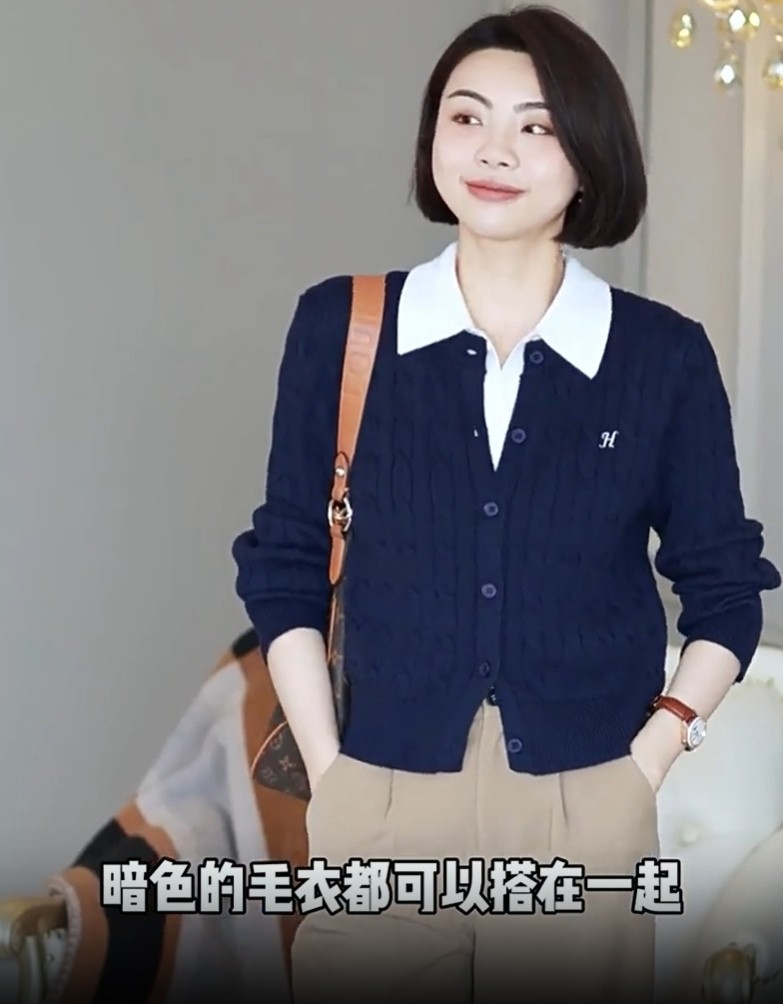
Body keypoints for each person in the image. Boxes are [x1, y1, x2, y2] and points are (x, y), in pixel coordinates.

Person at [231, 4, 781, 1003]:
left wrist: (642, 766)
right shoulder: (341, 327)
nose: (494, 150)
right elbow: (284, 566)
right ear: (432, 138)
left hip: (586, 804)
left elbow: (726, 591)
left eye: (537, 126)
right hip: (382, 794)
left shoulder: (660, 356)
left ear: (590, 158)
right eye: (466, 116)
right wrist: (332, 771)